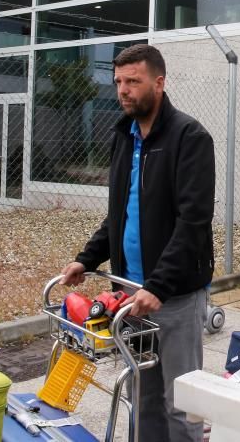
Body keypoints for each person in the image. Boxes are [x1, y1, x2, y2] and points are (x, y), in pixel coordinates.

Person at [59, 44, 213, 442]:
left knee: (181, 407)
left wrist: (158, 286)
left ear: (159, 83)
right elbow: (120, 212)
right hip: (130, 297)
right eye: (118, 82)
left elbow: (193, 222)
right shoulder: (123, 136)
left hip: (173, 298)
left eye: (133, 81)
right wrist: (87, 258)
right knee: (141, 399)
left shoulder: (190, 137)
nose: (123, 90)